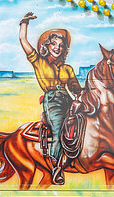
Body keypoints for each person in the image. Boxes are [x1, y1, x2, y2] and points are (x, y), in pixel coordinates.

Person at [18, 12, 83, 184]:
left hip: (68, 99)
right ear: (47, 45)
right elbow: (24, 42)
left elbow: (76, 89)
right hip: (52, 100)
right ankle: (56, 168)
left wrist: (80, 97)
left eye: (61, 45)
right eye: (54, 44)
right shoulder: (38, 61)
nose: (57, 47)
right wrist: (24, 23)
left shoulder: (68, 68)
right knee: (59, 130)